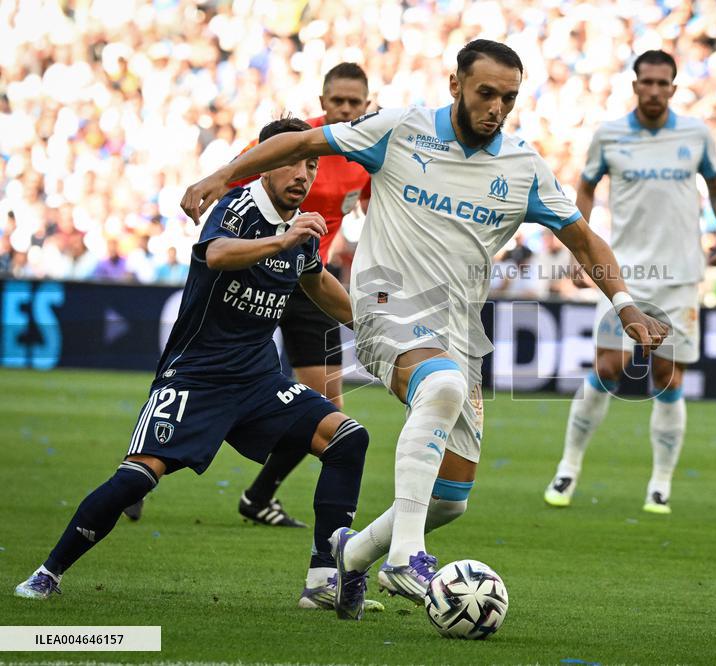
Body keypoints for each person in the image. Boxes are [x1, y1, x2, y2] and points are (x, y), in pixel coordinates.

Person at [181, 39, 669, 620]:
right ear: (456, 85)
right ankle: (406, 556)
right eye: (486, 93)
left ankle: (351, 556)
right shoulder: (401, 129)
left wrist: (626, 304)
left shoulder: (520, 166)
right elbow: (305, 140)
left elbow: (582, 238)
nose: (496, 108)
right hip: (384, 305)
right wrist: (222, 174)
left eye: (508, 98)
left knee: (449, 499)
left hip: (459, 330)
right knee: (440, 387)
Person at [15, 118, 374, 614]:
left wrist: (375, 324)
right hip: (196, 376)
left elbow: (317, 285)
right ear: (264, 163)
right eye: (291, 160)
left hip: (259, 380)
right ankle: (47, 572)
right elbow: (219, 255)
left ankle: (322, 581)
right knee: (137, 478)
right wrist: (282, 241)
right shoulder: (238, 207)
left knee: (348, 437)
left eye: (310, 164)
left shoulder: (302, 231)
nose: (302, 173)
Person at [124, 63, 374, 529]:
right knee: (199, 372)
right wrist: (215, 190)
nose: (344, 108)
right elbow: (236, 179)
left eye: (353, 102)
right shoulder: (295, 145)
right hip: (253, 266)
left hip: (308, 277)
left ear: (367, 105)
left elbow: (375, 211)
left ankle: (259, 496)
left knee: (330, 410)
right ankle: (141, 466)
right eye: (336, 100)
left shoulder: (366, 157)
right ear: (322, 102)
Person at [542, 50, 716, 514]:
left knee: (667, 376)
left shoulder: (696, 133)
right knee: (607, 368)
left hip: (682, 274)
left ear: (673, 87)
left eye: (661, 83)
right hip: (623, 274)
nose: (653, 90)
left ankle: (660, 484)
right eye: (645, 82)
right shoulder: (609, 135)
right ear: (635, 86)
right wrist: (579, 243)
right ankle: (568, 468)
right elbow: (585, 186)